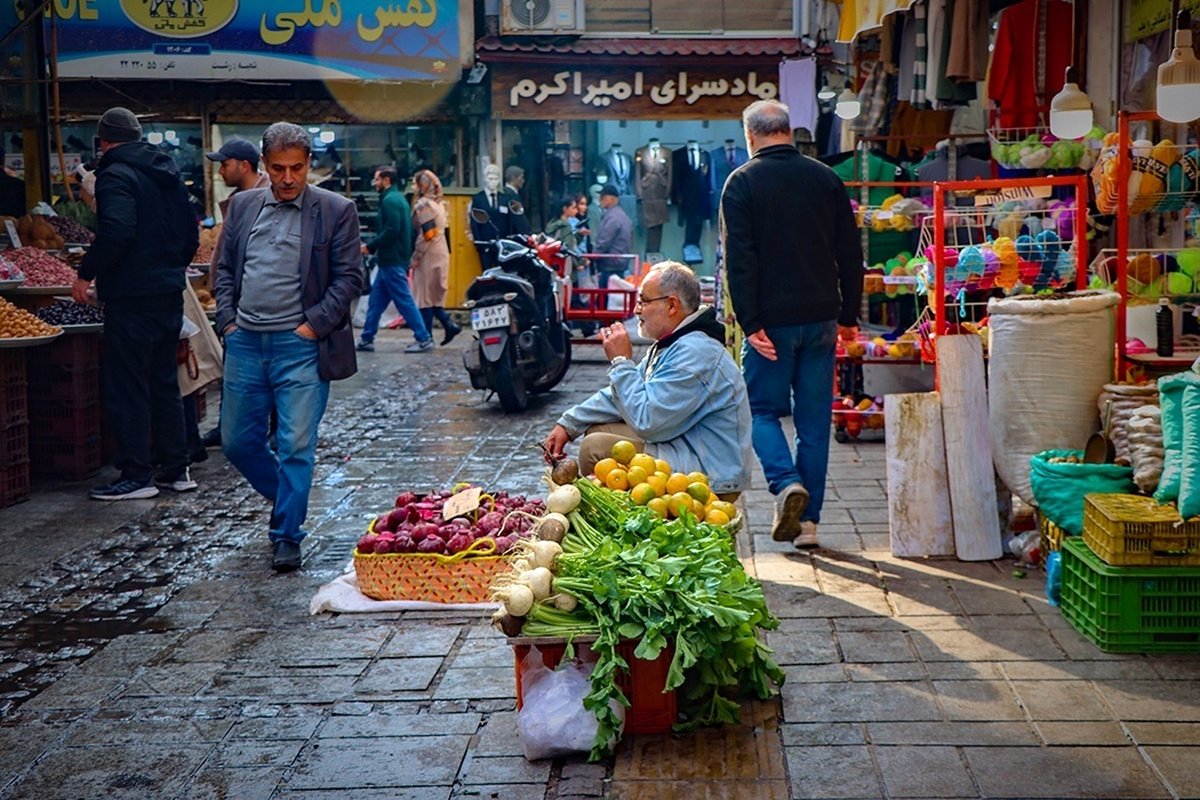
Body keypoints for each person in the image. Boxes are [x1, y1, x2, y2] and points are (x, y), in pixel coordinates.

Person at [214, 121, 363, 572]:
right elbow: (223, 269)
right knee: (237, 442)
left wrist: (313, 327)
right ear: (264, 165)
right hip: (245, 343)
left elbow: (349, 278)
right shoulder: (241, 206)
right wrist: (227, 322)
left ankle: (286, 534)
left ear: (308, 165)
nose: (287, 178)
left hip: (299, 347)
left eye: (296, 168)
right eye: (278, 168)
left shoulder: (336, 210)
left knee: (296, 444)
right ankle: (289, 497)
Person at [719, 99, 863, 549]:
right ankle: (809, 526)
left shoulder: (741, 183)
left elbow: (739, 261)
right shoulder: (827, 179)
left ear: (751, 136)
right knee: (814, 422)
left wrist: (750, 321)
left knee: (761, 409)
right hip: (821, 318)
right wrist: (849, 316)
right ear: (789, 129)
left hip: (772, 325)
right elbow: (850, 254)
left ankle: (785, 484)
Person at [71, 107, 198, 500]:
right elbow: (190, 233)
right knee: (163, 382)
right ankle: (177, 469)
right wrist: (171, 269)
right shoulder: (167, 171)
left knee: (127, 385)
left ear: (104, 141)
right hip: (167, 295)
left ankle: (136, 475)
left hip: (132, 298)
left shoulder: (114, 174)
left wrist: (85, 272)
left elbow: (118, 231)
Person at [542, 261, 753, 496]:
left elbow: (648, 422)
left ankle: (625, 518)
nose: (636, 310)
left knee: (594, 448)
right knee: (596, 429)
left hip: (710, 473)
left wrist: (621, 362)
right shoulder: (673, 343)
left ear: (672, 305)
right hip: (685, 445)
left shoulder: (695, 352)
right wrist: (569, 424)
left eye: (643, 301)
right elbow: (618, 397)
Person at [200, 136, 269, 450]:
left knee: (265, 372)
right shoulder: (240, 200)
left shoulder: (264, 200)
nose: (220, 172)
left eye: (224, 165)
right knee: (235, 371)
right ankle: (229, 426)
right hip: (236, 307)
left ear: (244, 165)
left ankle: (267, 431)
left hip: (259, 305)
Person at [356, 165, 433, 353]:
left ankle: (423, 339)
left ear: (386, 180)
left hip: (392, 260)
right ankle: (366, 338)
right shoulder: (396, 199)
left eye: (377, 179)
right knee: (376, 302)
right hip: (389, 261)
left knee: (404, 301)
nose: (375, 183)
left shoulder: (391, 201)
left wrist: (370, 246)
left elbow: (392, 230)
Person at [409, 169, 461, 345]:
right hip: (441, 250)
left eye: (416, 183)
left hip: (429, 252)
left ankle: (427, 336)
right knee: (433, 295)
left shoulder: (423, 205)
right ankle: (448, 325)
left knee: (424, 295)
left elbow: (427, 234)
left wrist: (416, 256)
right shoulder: (438, 204)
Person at [593, 184, 633, 288]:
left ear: (610, 198)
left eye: (602, 197)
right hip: (618, 262)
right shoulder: (620, 214)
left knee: (605, 298)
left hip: (611, 263)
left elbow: (604, 240)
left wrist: (593, 256)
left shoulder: (613, 217)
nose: (600, 200)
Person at [502, 165, 531, 235]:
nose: (523, 181)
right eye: (521, 178)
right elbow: (518, 218)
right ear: (513, 178)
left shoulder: (505, 193)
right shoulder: (511, 196)